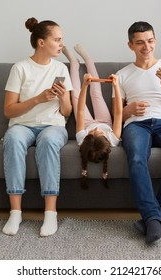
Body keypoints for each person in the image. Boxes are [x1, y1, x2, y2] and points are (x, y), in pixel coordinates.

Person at [114, 21, 161, 244]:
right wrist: (127, 109)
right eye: (139, 43)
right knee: (137, 158)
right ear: (130, 45)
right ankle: (154, 218)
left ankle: (153, 218)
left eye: (149, 41)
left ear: (155, 41)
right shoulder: (121, 75)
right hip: (136, 124)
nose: (146, 47)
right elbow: (116, 113)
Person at [2, 17, 72, 237]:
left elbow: (67, 112)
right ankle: (15, 212)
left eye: (62, 40)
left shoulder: (61, 68)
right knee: (12, 139)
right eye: (57, 40)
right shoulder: (20, 68)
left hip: (53, 126)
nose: (62, 44)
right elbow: (9, 111)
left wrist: (62, 99)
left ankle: (50, 214)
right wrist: (38, 99)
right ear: (41, 42)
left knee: (49, 141)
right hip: (22, 125)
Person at [63, 44, 122, 189]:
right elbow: (119, 112)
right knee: (96, 92)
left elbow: (81, 111)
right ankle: (88, 59)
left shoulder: (82, 138)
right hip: (105, 120)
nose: (96, 130)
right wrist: (116, 85)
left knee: (75, 94)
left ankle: (74, 63)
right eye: (99, 133)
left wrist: (84, 85)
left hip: (86, 122)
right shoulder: (113, 139)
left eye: (92, 134)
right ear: (107, 140)